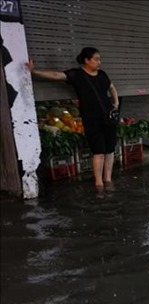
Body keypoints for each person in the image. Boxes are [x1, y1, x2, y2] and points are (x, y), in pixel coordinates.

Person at [27, 47, 119, 198]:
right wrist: (34, 71)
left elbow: (112, 88)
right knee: (98, 152)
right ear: (86, 60)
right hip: (92, 120)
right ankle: (99, 183)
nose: (99, 62)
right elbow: (56, 75)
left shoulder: (102, 75)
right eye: (96, 59)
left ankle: (108, 179)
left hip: (109, 118)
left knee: (109, 150)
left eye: (99, 59)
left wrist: (115, 103)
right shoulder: (77, 75)